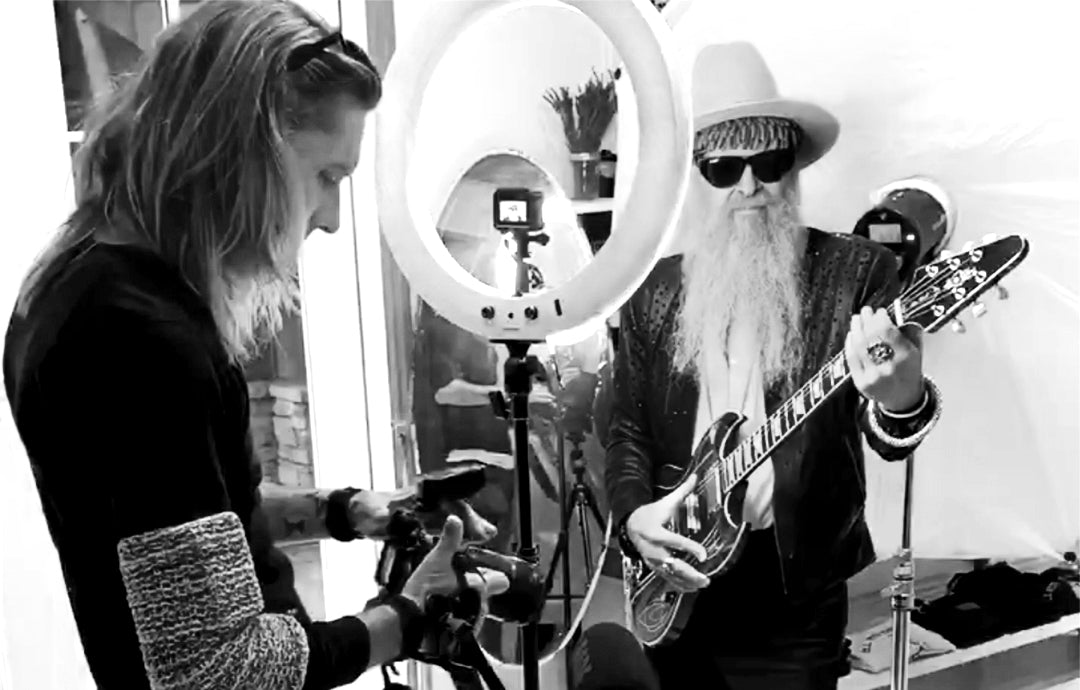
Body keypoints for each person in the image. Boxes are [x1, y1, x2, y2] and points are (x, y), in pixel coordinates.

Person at [2, 3, 507, 689]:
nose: (329, 218)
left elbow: (182, 523)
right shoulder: (142, 341)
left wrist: (346, 510)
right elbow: (220, 671)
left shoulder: (78, 278)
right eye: (328, 177)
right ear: (241, 148)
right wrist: (406, 615)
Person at [605, 42, 943, 690]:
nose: (750, 185)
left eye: (769, 159)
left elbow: (887, 429)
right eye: (724, 167)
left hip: (794, 595)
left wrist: (903, 397)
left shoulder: (857, 274)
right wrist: (633, 519)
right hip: (679, 576)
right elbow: (627, 431)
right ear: (692, 176)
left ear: (793, 168)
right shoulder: (652, 292)